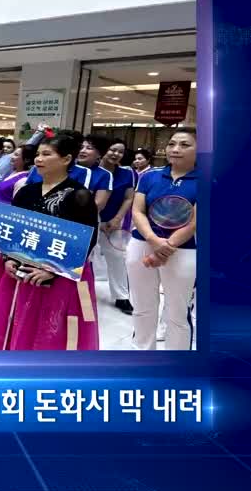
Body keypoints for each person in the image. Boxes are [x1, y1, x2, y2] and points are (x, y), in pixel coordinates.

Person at [0, 134, 101, 350]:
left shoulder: (79, 195)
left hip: (61, 273)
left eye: (47, 154)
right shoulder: (26, 191)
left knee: (53, 328)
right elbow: (12, 230)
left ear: (66, 159)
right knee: (10, 317)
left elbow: (88, 240)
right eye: (38, 154)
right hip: (20, 267)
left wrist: (53, 270)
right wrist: (8, 258)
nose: (39, 159)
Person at [128, 129, 198, 351]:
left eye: (185, 145)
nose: (175, 149)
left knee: (177, 312)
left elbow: (195, 222)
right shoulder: (149, 176)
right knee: (142, 307)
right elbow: (137, 211)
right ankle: (143, 355)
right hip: (141, 244)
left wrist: (168, 245)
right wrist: (153, 240)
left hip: (183, 250)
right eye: (172, 144)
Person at [97, 138, 136, 315]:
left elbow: (128, 198)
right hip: (88, 220)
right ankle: (79, 293)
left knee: (117, 257)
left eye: (120, 151)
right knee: (83, 258)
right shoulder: (92, 171)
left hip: (112, 222)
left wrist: (117, 219)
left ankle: (122, 296)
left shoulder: (127, 174)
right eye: (112, 149)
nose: (116, 154)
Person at [76, 134, 115, 212]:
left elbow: (99, 205)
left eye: (89, 148)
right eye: (81, 147)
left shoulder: (105, 175)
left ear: (99, 154)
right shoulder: (67, 167)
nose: (82, 151)